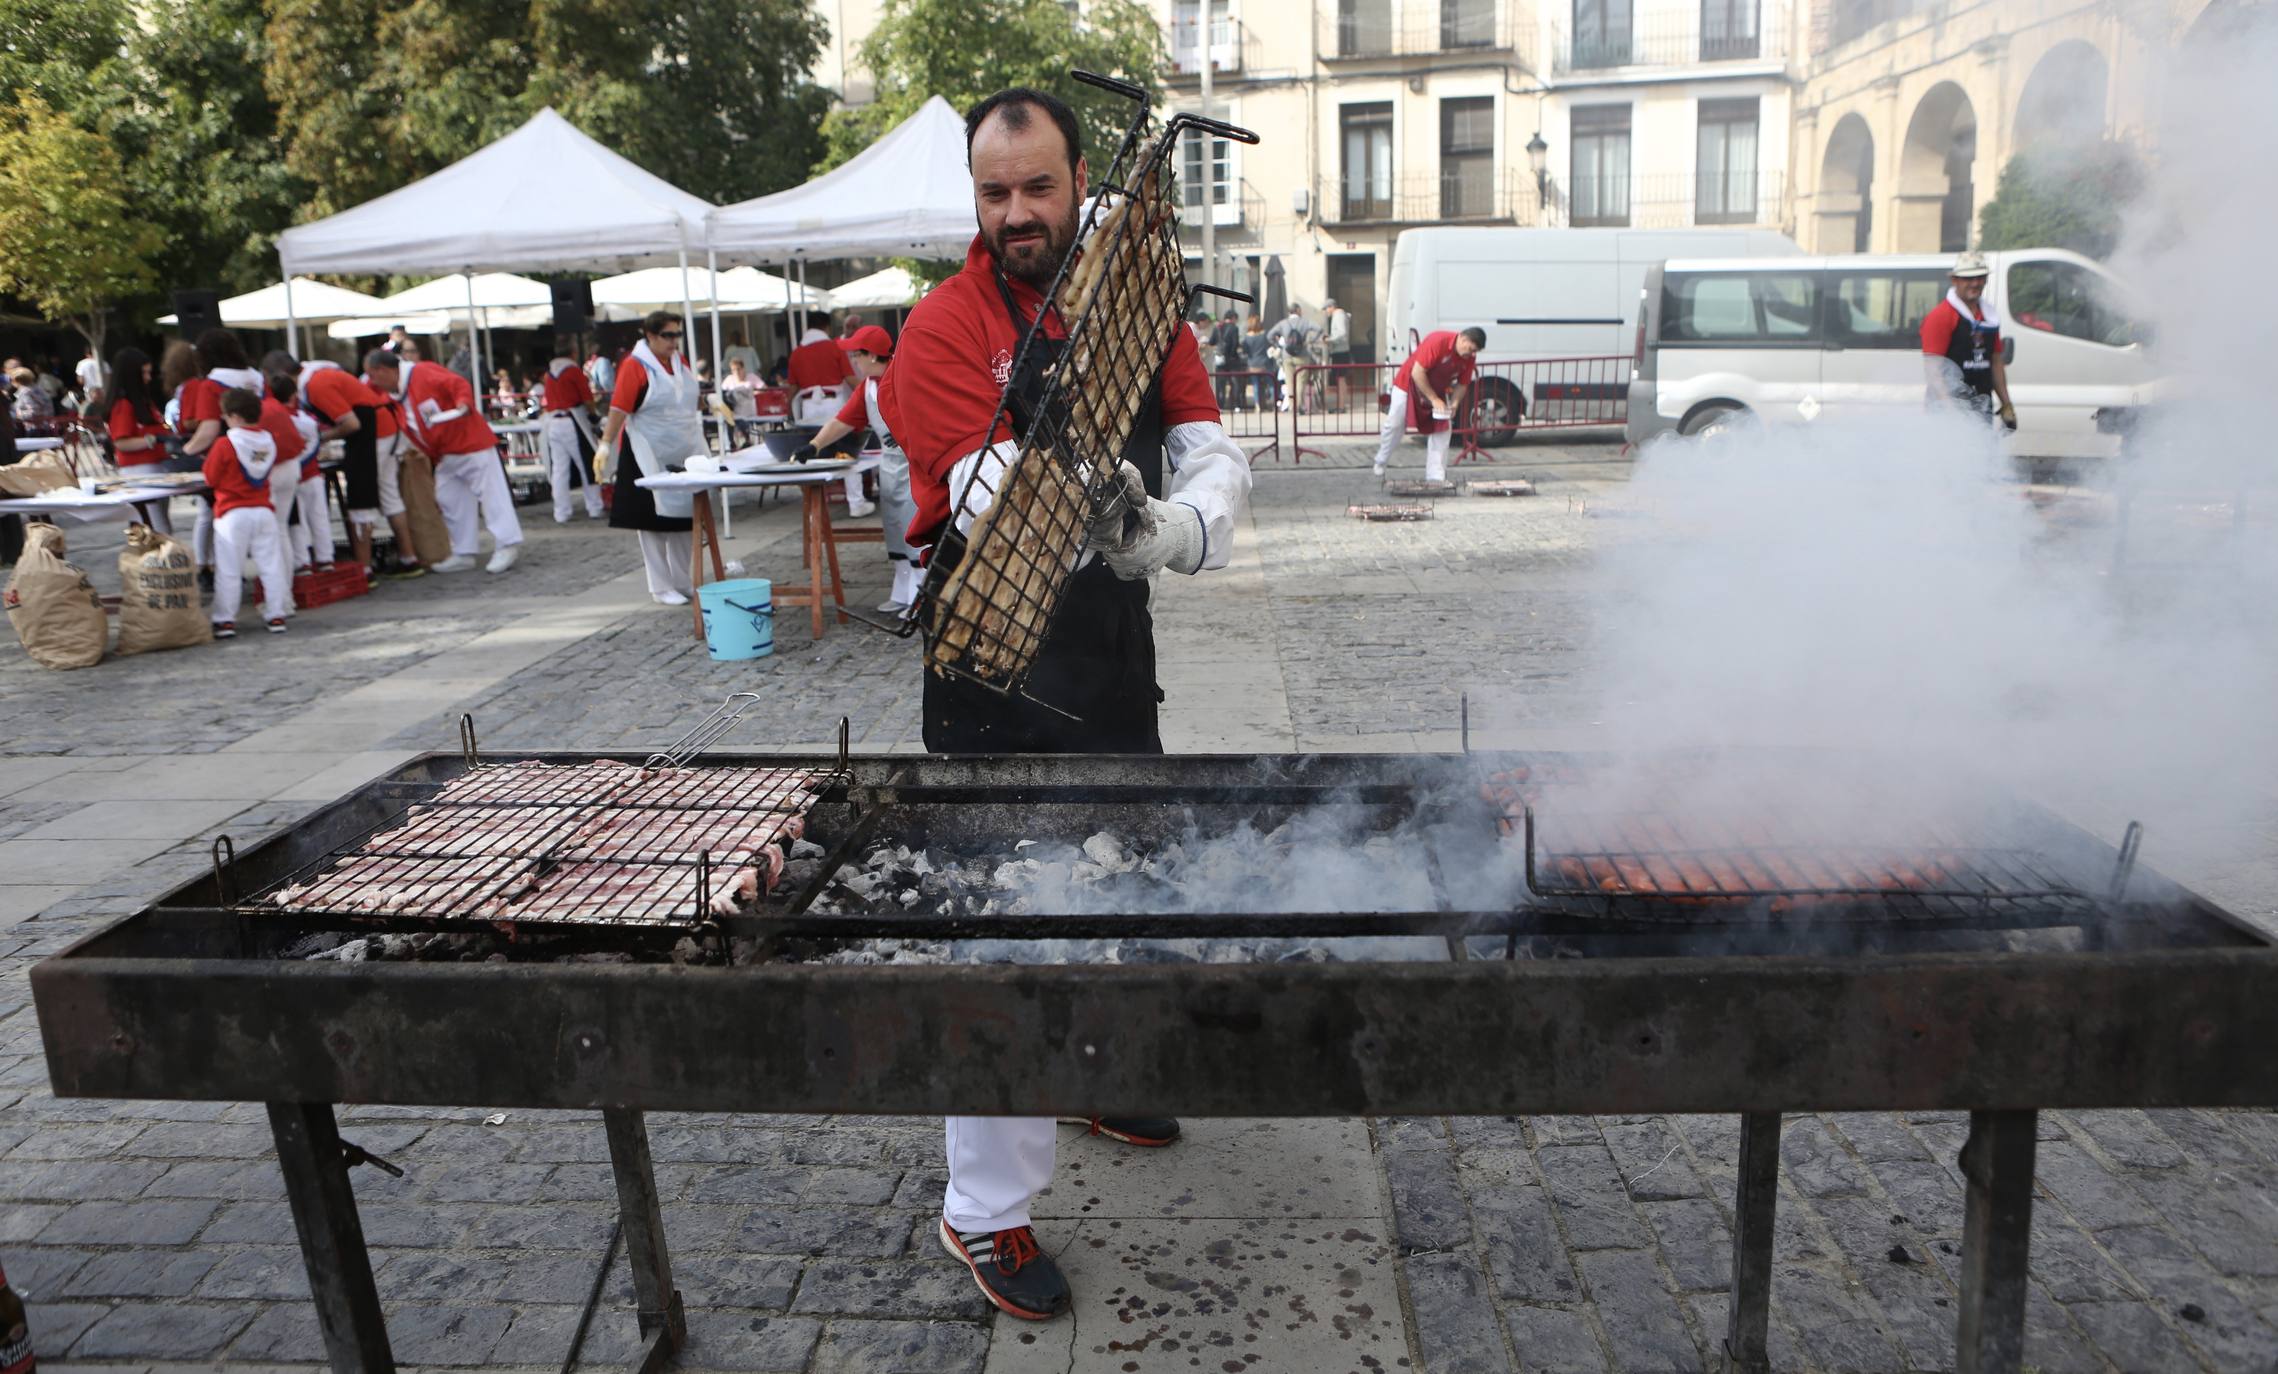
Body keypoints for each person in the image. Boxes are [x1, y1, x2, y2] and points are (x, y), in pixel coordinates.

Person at [877, 84, 1252, 1324]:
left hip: (1108, 652)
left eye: (1038, 187)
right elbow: (979, 484)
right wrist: (1090, 498)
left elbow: (1205, 438)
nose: (1018, 213)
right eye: (994, 193)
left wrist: (1182, 526)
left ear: (1078, 176)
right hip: (989, 679)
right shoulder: (940, 327)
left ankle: (1088, 1075)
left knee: (1122, 885)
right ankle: (981, 1210)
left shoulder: (1138, 304)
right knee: (999, 940)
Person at [794, 324, 922, 612]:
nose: (853, 361)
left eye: (856, 355)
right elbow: (844, 421)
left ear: (873, 356)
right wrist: (814, 445)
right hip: (889, 467)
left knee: (915, 529)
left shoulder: (903, 375)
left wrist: (907, 434)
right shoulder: (868, 387)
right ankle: (902, 590)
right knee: (894, 527)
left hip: (915, 467)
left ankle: (921, 596)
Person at [365, 348, 522, 574]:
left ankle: (507, 544)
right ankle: (464, 550)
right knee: (449, 497)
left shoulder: (422, 373)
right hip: (446, 452)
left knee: (491, 495)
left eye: (373, 374)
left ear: (384, 370)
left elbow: (457, 384)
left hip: (469, 443)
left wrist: (463, 403)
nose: (372, 381)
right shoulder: (398, 391)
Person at [594, 310, 700, 605]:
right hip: (646, 451)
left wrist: (712, 401)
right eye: (668, 335)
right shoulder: (636, 366)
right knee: (650, 520)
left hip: (681, 448)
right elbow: (619, 407)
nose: (674, 341)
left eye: (677, 335)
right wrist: (606, 443)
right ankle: (660, 585)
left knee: (683, 516)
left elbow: (688, 396)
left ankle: (682, 579)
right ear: (651, 336)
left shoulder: (681, 363)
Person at [203, 387, 292, 637]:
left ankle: (225, 619)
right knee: (271, 565)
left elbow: (210, 478)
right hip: (263, 510)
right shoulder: (268, 441)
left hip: (232, 513)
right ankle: (276, 614)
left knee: (229, 569)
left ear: (235, 416)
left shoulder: (225, 443)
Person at [303, 358, 405, 576]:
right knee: (389, 496)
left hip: (371, 435)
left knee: (361, 504)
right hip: (385, 428)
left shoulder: (316, 384)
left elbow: (351, 424)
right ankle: (408, 558)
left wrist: (320, 438)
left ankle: (364, 568)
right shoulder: (324, 375)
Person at [181, 329, 266, 571]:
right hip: (261, 452)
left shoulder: (211, 384)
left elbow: (209, 428)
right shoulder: (257, 379)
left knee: (211, 516)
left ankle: (208, 566)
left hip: (227, 458)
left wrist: (184, 451)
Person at [1372, 325, 1483, 481]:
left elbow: (1462, 384)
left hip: (1437, 389)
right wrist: (1434, 399)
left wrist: (1454, 403)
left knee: (1443, 429)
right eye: (1471, 349)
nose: (1471, 354)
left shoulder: (1469, 358)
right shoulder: (1438, 341)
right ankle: (1381, 460)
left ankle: (1435, 476)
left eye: (1475, 352)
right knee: (1395, 423)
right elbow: (1418, 372)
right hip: (1408, 384)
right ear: (1463, 339)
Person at [1921, 250, 2016, 432]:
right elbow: (1933, 370)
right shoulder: (1941, 316)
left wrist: (2006, 405)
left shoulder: (1989, 317)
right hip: (1947, 410)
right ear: (1955, 280)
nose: (1975, 283)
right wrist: (1950, 411)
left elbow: (1995, 361)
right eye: (1968, 278)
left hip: (1981, 406)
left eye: (1980, 277)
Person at [788, 321, 867, 515]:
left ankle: (815, 507)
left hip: (808, 407)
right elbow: (850, 378)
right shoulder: (834, 347)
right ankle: (856, 503)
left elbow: (792, 387)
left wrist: (787, 408)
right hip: (833, 403)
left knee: (813, 452)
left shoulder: (797, 353)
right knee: (846, 451)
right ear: (827, 328)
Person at [105, 347, 175, 530]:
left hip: (156, 468)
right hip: (140, 472)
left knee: (161, 525)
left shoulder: (142, 402)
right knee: (157, 528)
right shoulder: (124, 404)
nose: (148, 378)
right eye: (143, 373)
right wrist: (152, 440)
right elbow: (121, 442)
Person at [269, 370, 330, 571]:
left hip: (288, 475)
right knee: (319, 517)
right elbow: (314, 445)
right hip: (310, 473)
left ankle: (301, 560)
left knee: (295, 522)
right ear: (294, 394)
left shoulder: (276, 418)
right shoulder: (308, 420)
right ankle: (325, 557)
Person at [539, 349, 605, 522]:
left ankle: (561, 512)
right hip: (572, 421)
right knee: (586, 464)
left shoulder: (549, 375)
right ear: (573, 355)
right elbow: (587, 398)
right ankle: (595, 507)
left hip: (553, 422)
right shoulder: (573, 371)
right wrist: (593, 415)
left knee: (559, 470)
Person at [1267, 305, 1320, 413]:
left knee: (1289, 381)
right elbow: (1319, 329)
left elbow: (1269, 335)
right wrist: (1310, 341)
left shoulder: (1283, 323)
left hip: (1287, 355)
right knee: (1300, 381)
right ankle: (1299, 405)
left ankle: (1292, 406)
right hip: (1302, 355)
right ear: (1298, 311)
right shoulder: (1305, 322)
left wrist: (1279, 345)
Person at [1322, 297, 1353, 409]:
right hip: (1340, 351)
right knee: (1340, 378)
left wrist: (1329, 340)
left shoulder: (1338, 316)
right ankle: (1341, 404)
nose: (1326, 312)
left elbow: (1342, 333)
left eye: (1326, 309)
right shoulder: (1340, 315)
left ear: (1331, 307)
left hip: (1340, 352)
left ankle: (1341, 405)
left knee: (1340, 378)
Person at [1209, 309, 1243, 410]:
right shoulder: (1234, 328)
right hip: (1232, 360)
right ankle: (1236, 404)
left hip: (1220, 359)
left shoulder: (1217, 327)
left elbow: (1211, 342)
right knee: (1235, 382)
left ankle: (1220, 404)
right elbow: (1235, 343)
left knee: (1220, 383)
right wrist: (1232, 355)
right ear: (1233, 318)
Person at [1239, 314, 1271, 411]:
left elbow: (1245, 351)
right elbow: (1268, 347)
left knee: (1256, 384)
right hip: (1264, 363)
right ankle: (1274, 403)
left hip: (1252, 363)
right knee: (1270, 383)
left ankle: (1257, 405)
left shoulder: (1247, 337)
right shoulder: (1264, 335)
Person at [74, 344, 105, 415]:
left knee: (91, 415)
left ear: (87, 354)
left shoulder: (82, 364)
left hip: (90, 394)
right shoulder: (104, 363)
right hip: (104, 394)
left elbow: (81, 380)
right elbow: (109, 379)